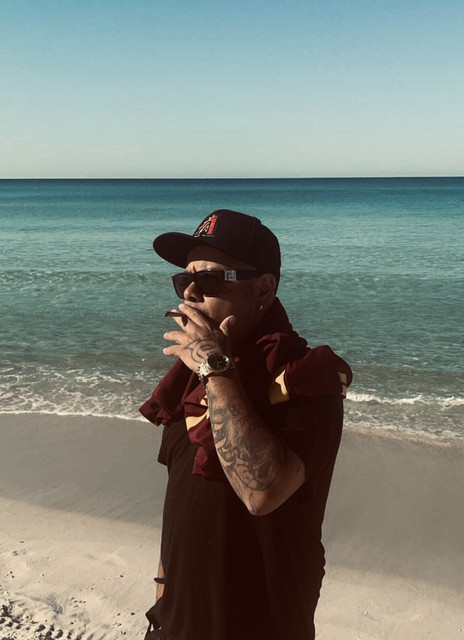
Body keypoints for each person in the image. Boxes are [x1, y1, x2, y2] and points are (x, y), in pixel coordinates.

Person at [140, 209, 352, 640]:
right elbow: (180, 504)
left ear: (264, 288)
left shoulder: (305, 379)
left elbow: (263, 491)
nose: (191, 292)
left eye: (211, 279)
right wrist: (162, 595)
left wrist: (214, 367)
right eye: (184, 280)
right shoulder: (190, 379)